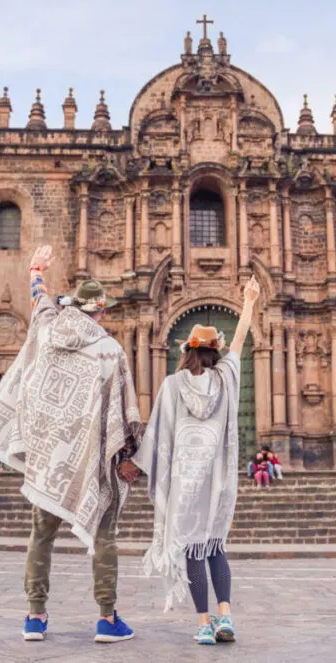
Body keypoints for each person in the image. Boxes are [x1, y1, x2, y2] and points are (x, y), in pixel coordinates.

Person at [0, 245, 143, 644]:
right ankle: (107, 619)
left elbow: (38, 297)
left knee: (41, 535)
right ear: (102, 311)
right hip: (92, 462)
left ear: (74, 306)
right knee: (104, 535)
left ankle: (34, 617)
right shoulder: (110, 350)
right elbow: (123, 411)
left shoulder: (46, 327)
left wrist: (37, 267)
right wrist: (127, 457)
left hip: (47, 461)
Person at [134, 277, 261, 646]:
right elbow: (239, 342)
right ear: (213, 353)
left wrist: (142, 468)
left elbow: (159, 436)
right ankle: (227, 617)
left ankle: (204, 623)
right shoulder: (226, 379)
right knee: (215, 547)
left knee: (192, 549)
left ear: (187, 352)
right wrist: (249, 301)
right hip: (218, 481)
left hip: (184, 483)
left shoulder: (172, 386)